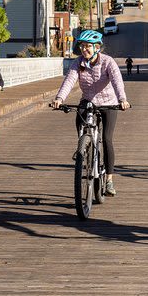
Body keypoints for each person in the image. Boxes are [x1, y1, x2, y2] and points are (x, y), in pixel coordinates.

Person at [51, 30, 130, 196]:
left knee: (107, 139)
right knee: (79, 118)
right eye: (82, 46)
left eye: (88, 46)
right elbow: (69, 80)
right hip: (88, 100)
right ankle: (83, 145)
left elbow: (117, 81)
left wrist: (122, 99)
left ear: (97, 47)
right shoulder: (78, 63)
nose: (84, 49)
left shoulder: (108, 62)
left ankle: (108, 180)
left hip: (109, 103)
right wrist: (59, 98)